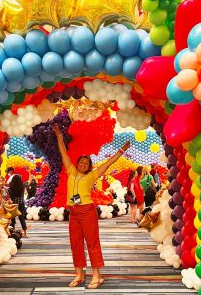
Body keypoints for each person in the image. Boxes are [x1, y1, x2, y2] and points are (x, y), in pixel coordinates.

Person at [53, 123, 130, 289]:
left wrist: (121, 151)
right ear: (77, 163)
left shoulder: (93, 174)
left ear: (89, 166)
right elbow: (63, 153)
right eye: (81, 161)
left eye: (86, 163)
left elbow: (108, 163)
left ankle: (96, 275)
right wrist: (60, 137)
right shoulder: (71, 171)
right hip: (73, 212)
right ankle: (79, 274)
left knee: (92, 243)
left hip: (87, 211)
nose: (82, 164)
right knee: (76, 244)